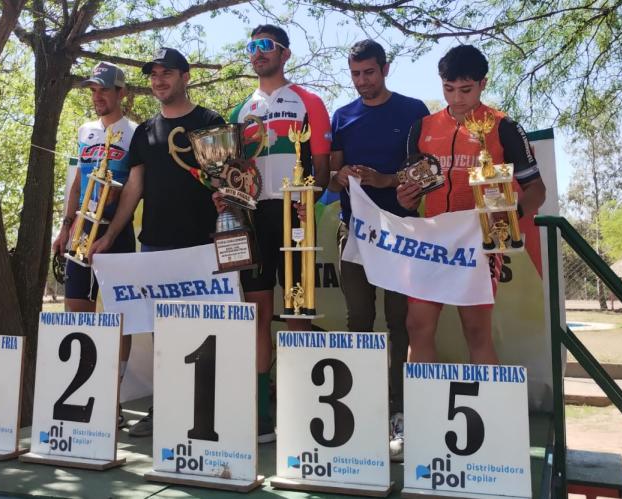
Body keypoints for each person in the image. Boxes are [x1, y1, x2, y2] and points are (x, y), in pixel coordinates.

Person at [89, 48, 225, 437]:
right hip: (154, 248)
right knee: (163, 333)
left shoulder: (209, 122)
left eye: (167, 73)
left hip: (202, 246)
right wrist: (111, 235)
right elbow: (133, 187)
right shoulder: (145, 132)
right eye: (153, 74)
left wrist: (227, 233)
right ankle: (164, 405)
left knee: (203, 332)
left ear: (186, 77)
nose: (159, 80)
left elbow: (223, 182)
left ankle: (202, 411)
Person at [213, 24, 332, 443]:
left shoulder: (308, 102)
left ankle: (300, 410)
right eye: (253, 47)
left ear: (285, 54)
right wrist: (225, 195)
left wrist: (307, 204)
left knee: (298, 312)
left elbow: (322, 167)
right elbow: (227, 170)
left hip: (295, 212)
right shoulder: (240, 111)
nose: (258, 53)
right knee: (259, 313)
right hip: (252, 216)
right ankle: (262, 414)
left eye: (267, 46)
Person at [397, 44, 547, 367]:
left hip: (478, 244)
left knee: (476, 331)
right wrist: (405, 197)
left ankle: (487, 416)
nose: (457, 98)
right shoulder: (421, 129)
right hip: (432, 240)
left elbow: (537, 190)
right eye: (448, 89)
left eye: (466, 89)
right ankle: (424, 411)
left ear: (483, 84)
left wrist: (511, 212)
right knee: (417, 326)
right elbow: (412, 189)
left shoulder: (504, 126)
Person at [326, 39, 429, 462]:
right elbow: (330, 177)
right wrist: (343, 174)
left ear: (385, 69)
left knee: (401, 321)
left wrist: (385, 180)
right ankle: (361, 410)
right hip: (355, 232)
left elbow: (426, 169)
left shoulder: (413, 110)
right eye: (355, 74)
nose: (362, 81)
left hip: (401, 231)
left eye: (369, 72)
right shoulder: (342, 115)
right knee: (359, 319)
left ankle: (401, 411)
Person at [52, 61, 137, 430]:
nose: (97, 96)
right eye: (93, 89)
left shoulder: (136, 132)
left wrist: (113, 234)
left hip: (116, 231)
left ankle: (112, 398)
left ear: (122, 93)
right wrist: (65, 225)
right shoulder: (85, 130)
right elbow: (76, 182)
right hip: (82, 230)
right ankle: (85, 395)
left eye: (104, 89)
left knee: (119, 315)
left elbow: (135, 187)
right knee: (77, 306)